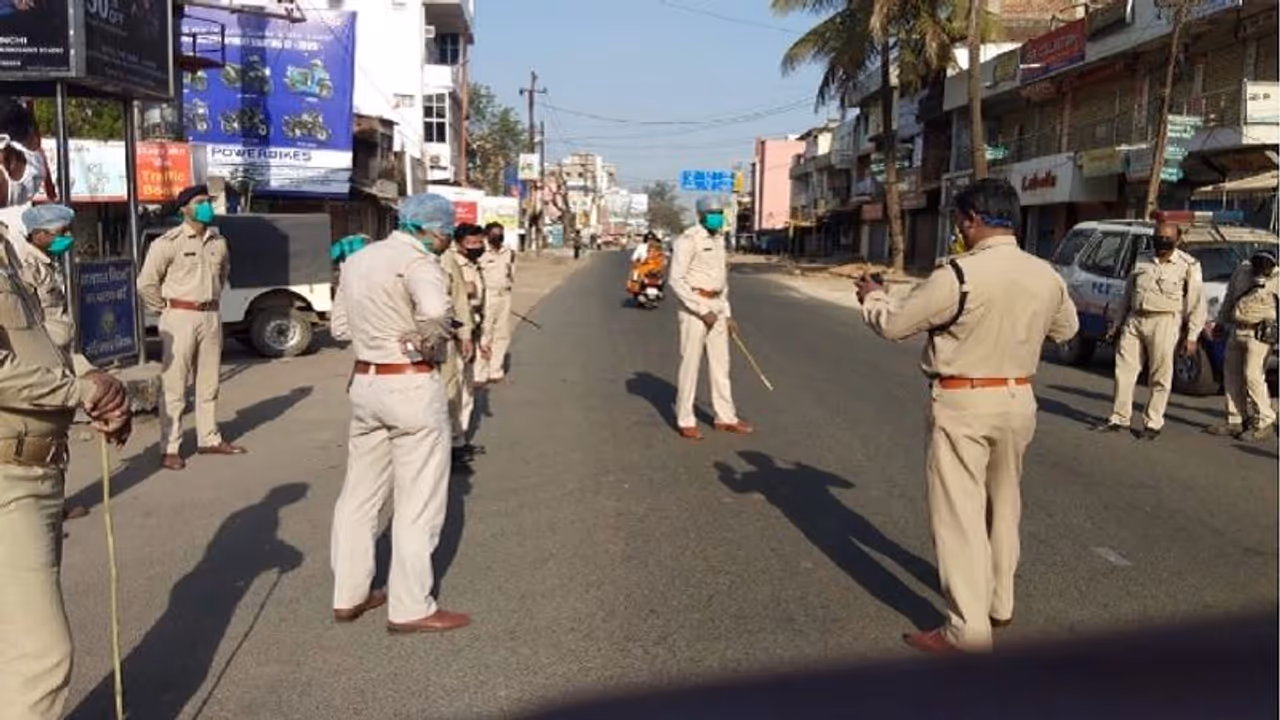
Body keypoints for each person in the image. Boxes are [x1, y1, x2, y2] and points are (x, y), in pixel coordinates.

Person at [855, 178, 1079, 654]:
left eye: (959, 221)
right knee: (1005, 504)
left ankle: (966, 632)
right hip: (1018, 398)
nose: (957, 229)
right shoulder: (1046, 275)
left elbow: (895, 325)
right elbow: (1066, 330)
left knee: (960, 515)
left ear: (973, 219)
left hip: (964, 401)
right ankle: (999, 602)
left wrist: (873, 297)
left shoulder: (957, 274)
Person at [0, 96, 133, 720]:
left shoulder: (11, 256)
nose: (22, 174)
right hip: (8, 474)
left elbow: (48, 345)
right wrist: (78, 392)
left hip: (38, 466)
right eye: (16, 159)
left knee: (19, 647)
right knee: (42, 658)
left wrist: (93, 382)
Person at [329, 192, 469, 634]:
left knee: (359, 495)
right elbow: (435, 311)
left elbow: (339, 328)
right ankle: (410, 606)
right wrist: (427, 338)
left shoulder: (357, 261)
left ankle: (349, 594)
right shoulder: (419, 263)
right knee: (418, 501)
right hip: (410, 383)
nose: (446, 239)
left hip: (365, 382)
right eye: (445, 232)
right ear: (430, 229)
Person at [137, 184, 246, 470]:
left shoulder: (218, 242)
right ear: (184, 208)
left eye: (208, 201)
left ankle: (209, 438)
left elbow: (223, 275)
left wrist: (209, 301)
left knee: (209, 383)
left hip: (210, 315)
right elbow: (146, 283)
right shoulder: (167, 243)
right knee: (175, 386)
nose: (206, 206)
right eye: (199, 202)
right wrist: (164, 310)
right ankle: (170, 447)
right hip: (179, 317)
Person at [1095, 221, 1205, 440]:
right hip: (1135, 319)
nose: (1162, 242)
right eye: (1158, 238)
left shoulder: (1188, 265)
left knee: (1160, 374)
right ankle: (1119, 418)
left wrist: (1192, 336)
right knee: (1124, 370)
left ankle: (1153, 423)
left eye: (1167, 239)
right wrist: (1117, 323)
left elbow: (1196, 303)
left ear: (1177, 239)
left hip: (1165, 321)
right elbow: (1127, 294)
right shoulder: (1142, 259)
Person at [18, 203, 92, 521]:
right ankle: (42, 505)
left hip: (58, 358)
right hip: (40, 364)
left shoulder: (48, 262)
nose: (67, 238)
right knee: (41, 436)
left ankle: (54, 500)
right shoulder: (25, 266)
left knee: (57, 435)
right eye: (61, 233)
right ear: (39, 234)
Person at [670, 195, 753, 440]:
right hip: (695, 306)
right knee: (690, 365)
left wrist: (726, 314)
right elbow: (676, 279)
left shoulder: (719, 240)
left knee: (721, 366)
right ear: (701, 215)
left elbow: (721, 281)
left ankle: (725, 417)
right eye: (713, 213)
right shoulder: (688, 240)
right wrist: (701, 309)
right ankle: (686, 420)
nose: (717, 217)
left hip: (717, 304)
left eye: (720, 213)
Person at [1206, 249, 1278, 441]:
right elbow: (1230, 298)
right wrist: (1221, 322)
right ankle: (1235, 419)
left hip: (1260, 332)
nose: (1261, 270)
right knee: (1231, 375)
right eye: (1258, 265)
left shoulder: (1277, 279)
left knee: (1253, 376)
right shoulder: (1242, 272)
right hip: (1237, 328)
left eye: (1266, 267)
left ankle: (1264, 421)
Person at [440, 224, 484, 465]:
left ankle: (460, 438)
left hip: (472, 328)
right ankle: (452, 443)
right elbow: (452, 302)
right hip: (455, 333)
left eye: (479, 242)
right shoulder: (448, 260)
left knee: (466, 388)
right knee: (452, 390)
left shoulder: (474, 263)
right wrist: (460, 333)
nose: (477, 247)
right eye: (472, 243)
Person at [477, 222, 516, 384]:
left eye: (500, 233)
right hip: (487, 295)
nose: (498, 236)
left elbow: (511, 273)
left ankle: (495, 370)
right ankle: (480, 372)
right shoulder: (480, 252)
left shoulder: (508, 252)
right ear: (487, 235)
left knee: (502, 334)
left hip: (504, 295)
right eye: (494, 233)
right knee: (484, 333)